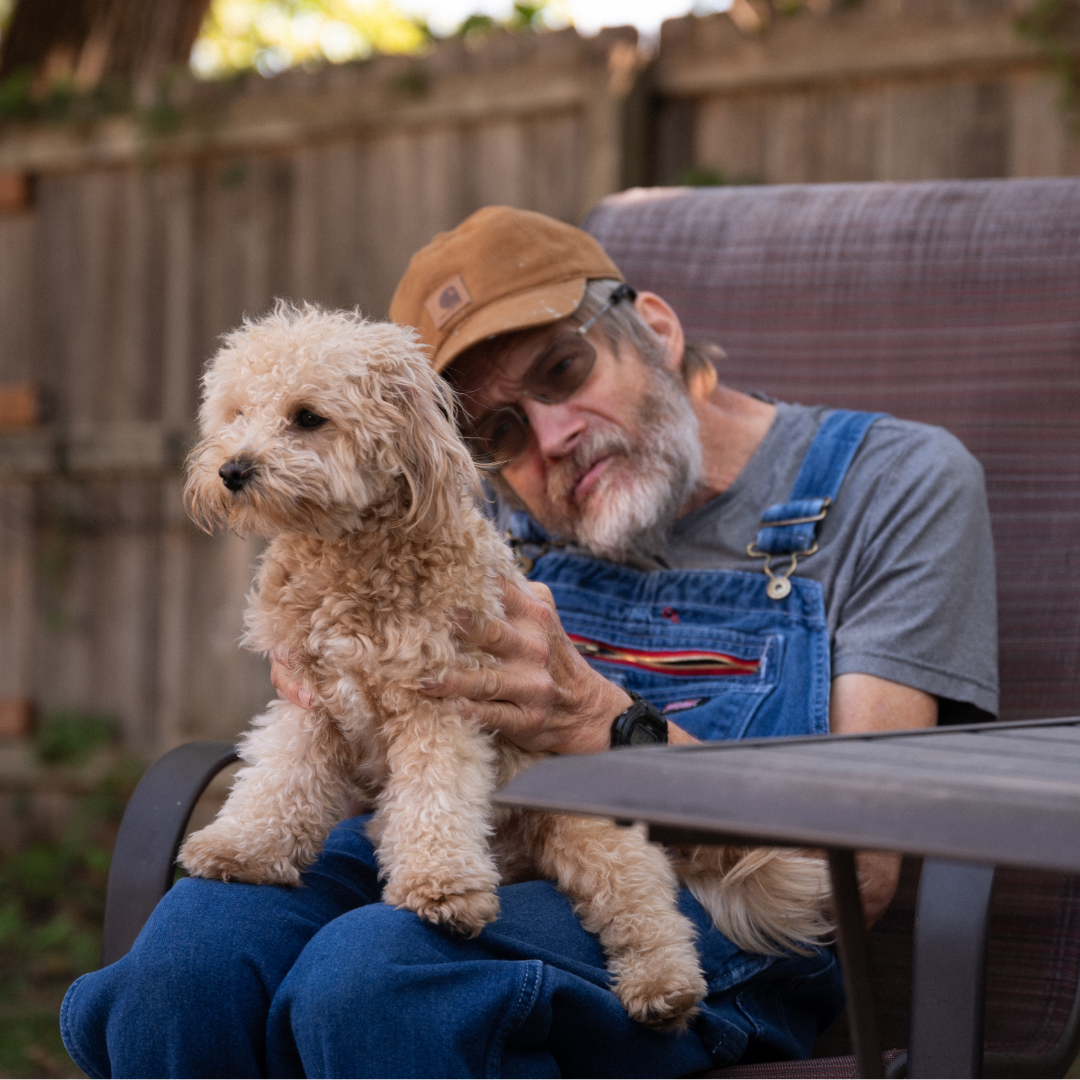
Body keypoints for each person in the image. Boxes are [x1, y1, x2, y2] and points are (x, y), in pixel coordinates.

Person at [60, 206, 997, 1079]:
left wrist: (603, 722)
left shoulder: (895, 482)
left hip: (711, 899)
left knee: (379, 979)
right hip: (453, 833)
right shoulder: (466, 503)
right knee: (182, 969)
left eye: (562, 371)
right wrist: (331, 681)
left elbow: (862, 872)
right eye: (497, 429)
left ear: (656, 330)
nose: (551, 438)